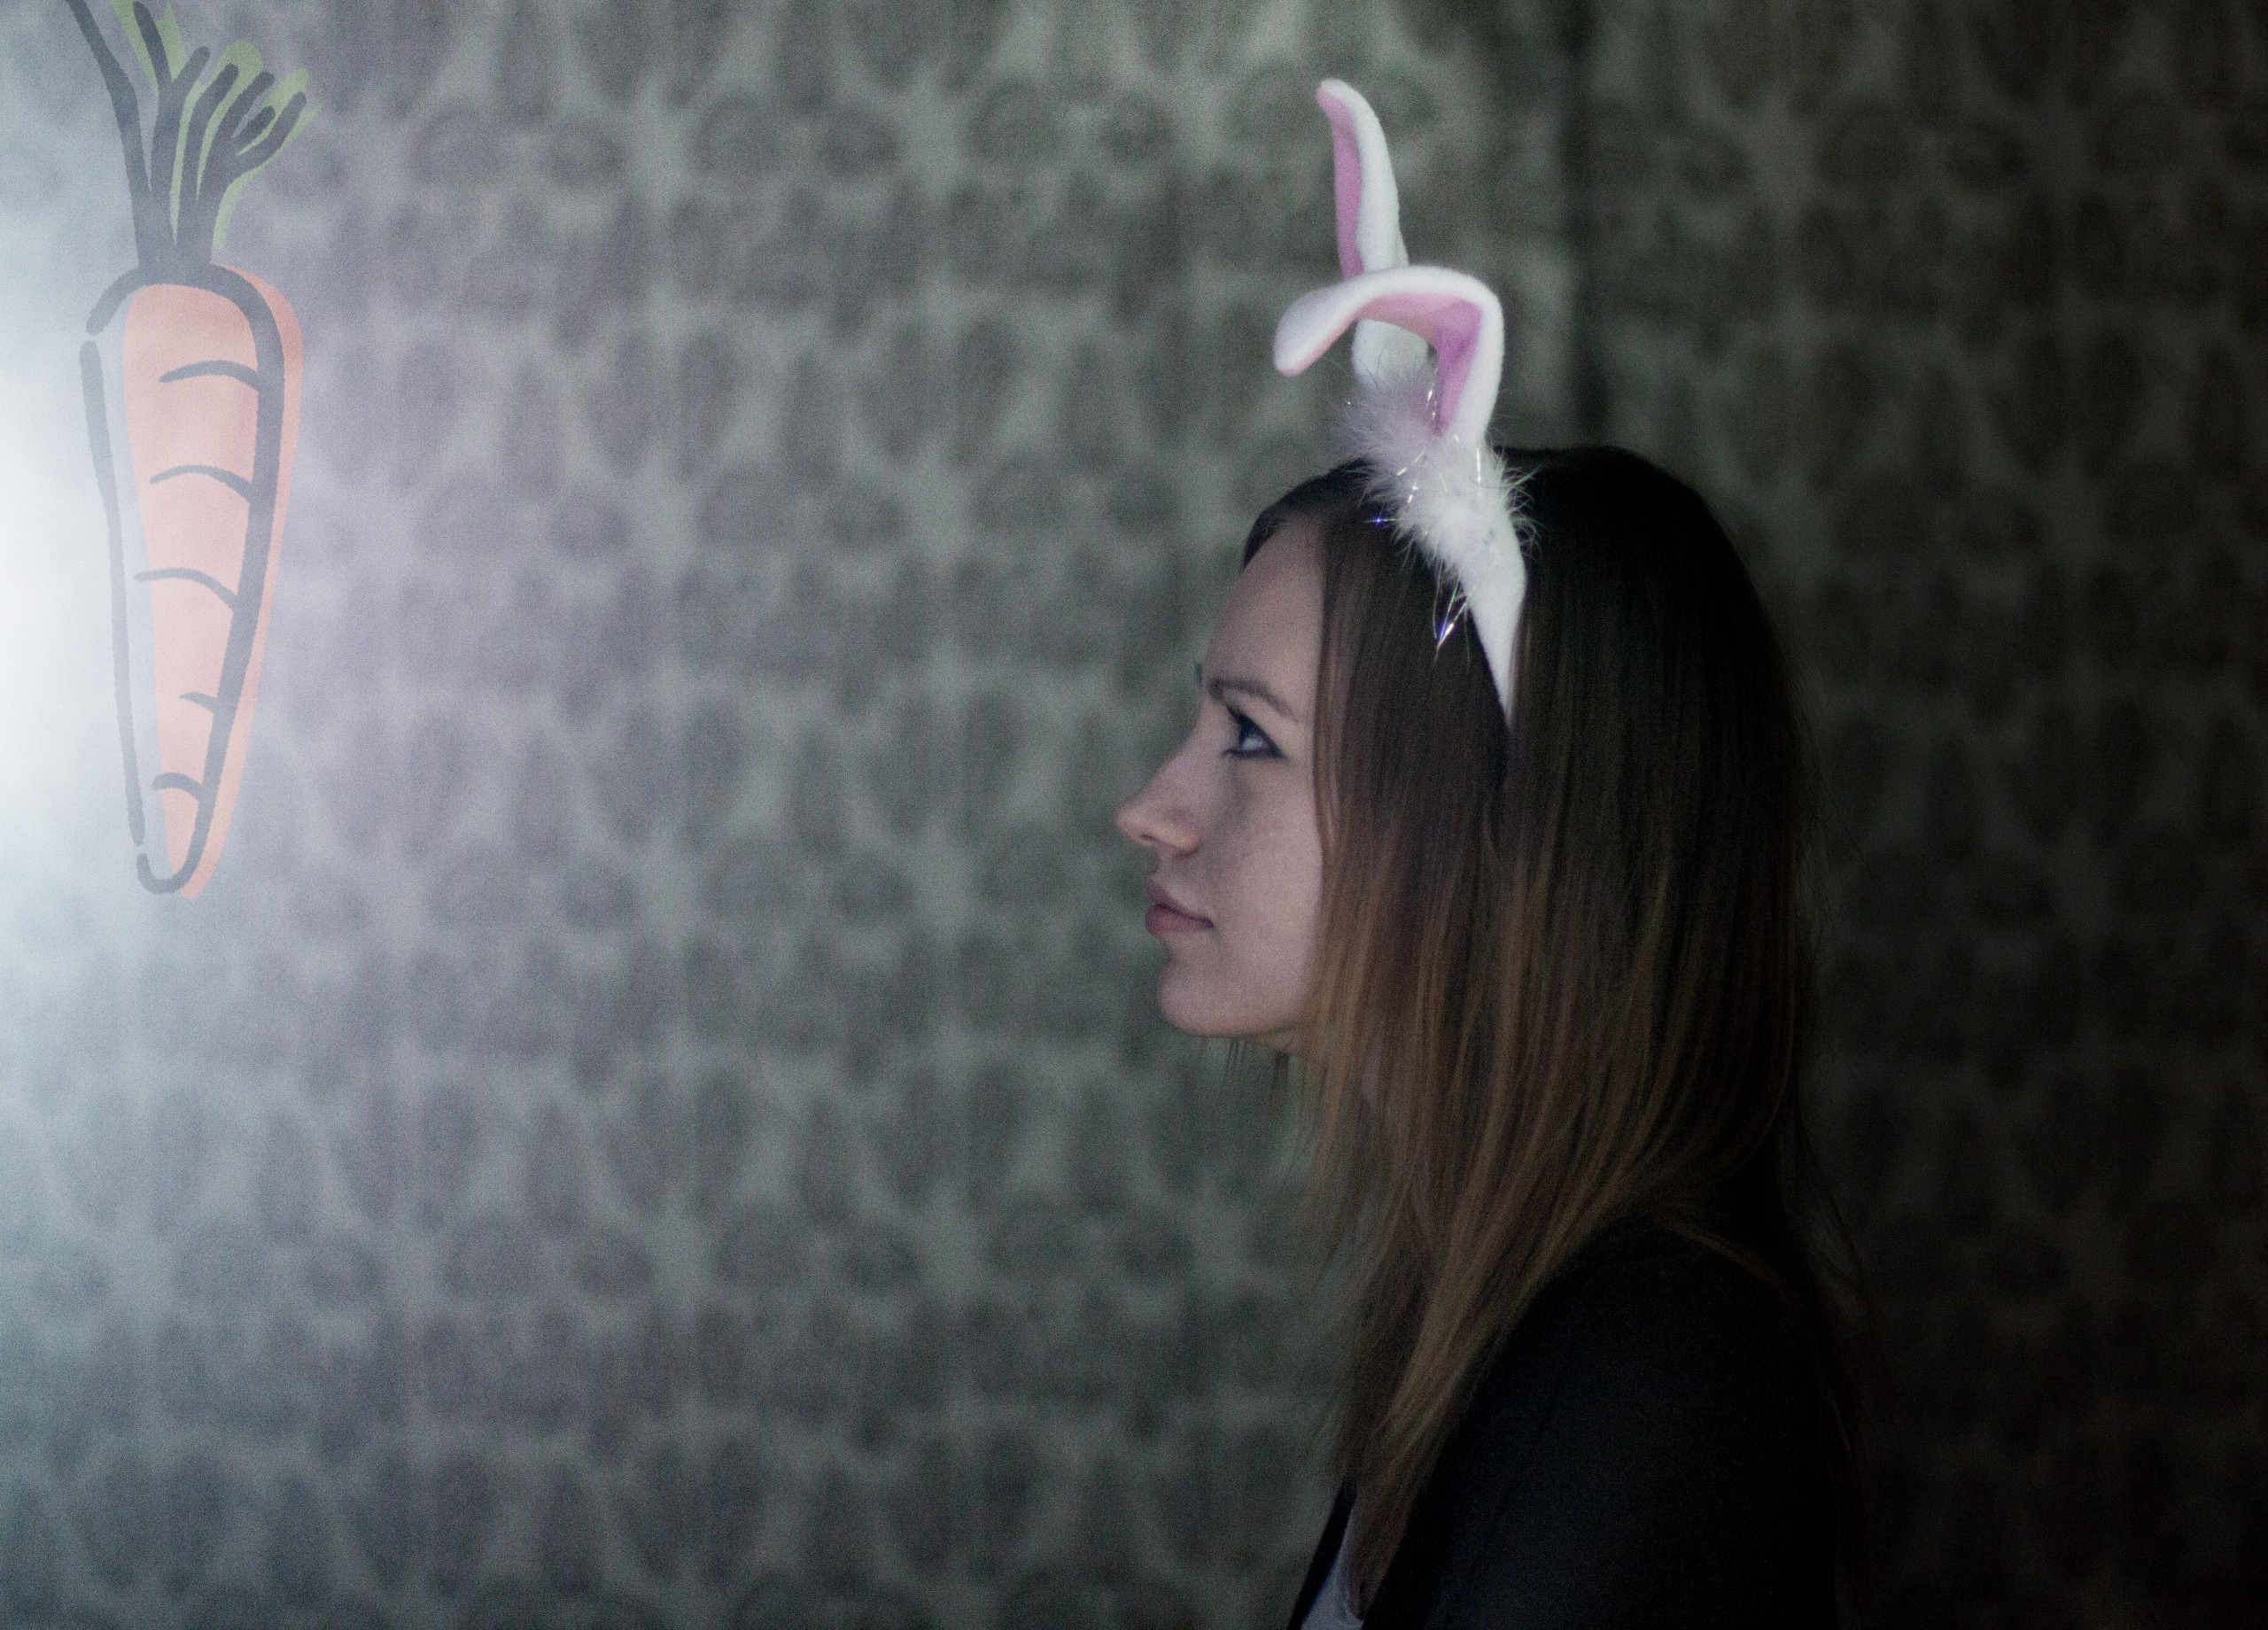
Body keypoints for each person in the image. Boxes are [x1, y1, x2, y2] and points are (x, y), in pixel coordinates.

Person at [1114, 82, 1860, 1629]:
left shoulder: (1645, 1374)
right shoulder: (1510, 1322)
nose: (1153, 806)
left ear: (1490, 830)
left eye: (1248, 738)